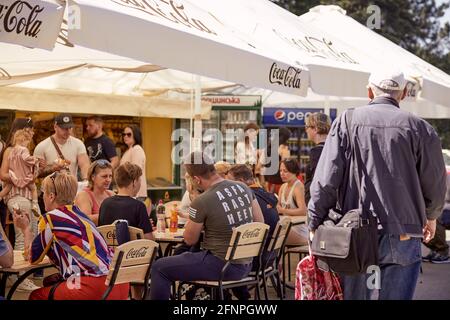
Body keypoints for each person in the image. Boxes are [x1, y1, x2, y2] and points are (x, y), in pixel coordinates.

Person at [308, 70, 447, 300]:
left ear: (369, 91)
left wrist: (314, 220)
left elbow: (326, 178)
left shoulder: (347, 121)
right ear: (402, 94)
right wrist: (431, 216)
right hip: (404, 230)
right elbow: (435, 181)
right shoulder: (420, 128)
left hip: (354, 231)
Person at [150, 152, 264, 300]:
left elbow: (189, 239)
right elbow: (260, 223)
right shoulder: (243, 187)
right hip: (247, 264)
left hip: (221, 265)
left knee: (159, 267)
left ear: (196, 179)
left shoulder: (202, 200)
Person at [24, 171, 129, 300]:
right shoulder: (80, 214)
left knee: (36, 295)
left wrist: (25, 229)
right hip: (119, 283)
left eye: (43, 193)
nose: (42, 196)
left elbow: (32, 258)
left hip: (93, 287)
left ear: (51, 196)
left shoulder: (50, 219)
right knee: (50, 283)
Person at [0, 118, 41, 291]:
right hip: (17, 196)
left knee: (30, 232)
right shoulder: (11, 150)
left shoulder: (21, 150)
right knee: (23, 235)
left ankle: (22, 276)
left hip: (24, 196)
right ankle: (17, 277)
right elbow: (3, 174)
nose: (32, 133)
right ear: (23, 131)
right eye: (30, 130)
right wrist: (21, 178)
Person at [227, 164, 280, 300]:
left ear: (241, 182)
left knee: (219, 258)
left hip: (255, 260)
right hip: (268, 257)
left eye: (230, 181)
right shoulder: (266, 195)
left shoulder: (245, 198)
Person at [98, 162, 153, 240]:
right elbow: (149, 239)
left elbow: (102, 233)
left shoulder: (105, 204)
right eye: (139, 180)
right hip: (132, 251)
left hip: (108, 250)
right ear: (134, 182)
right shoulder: (139, 206)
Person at [33, 113, 90, 181]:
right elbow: (36, 173)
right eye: (64, 128)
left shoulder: (78, 144)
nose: (68, 131)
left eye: (70, 128)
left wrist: (86, 180)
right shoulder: (42, 147)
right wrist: (53, 168)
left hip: (71, 188)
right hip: (50, 189)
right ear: (55, 127)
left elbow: (84, 164)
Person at [0, 129, 39, 216]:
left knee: (7, 188)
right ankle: (35, 205)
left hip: (13, 174)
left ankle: (1, 196)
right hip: (24, 175)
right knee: (33, 189)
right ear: (24, 140)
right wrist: (35, 160)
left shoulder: (11, 150)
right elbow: (26, 159)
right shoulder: (23, 150)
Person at [74, 160, 115, 226]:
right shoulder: (84, 195)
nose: (108, 180)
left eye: (110, 176)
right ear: (93, 177)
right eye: (104, 176)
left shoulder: (111, 194)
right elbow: (85, 220)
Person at [277, 159, 308, 246]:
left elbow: (303, 211)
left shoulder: (298, 187)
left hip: (299, 229)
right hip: (288, 226)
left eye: (285, 171)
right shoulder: (283, 187)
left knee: (275, 236)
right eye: (280, 170)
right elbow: (278, 207)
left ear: (294, 172)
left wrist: (283, 210)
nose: (282, 174)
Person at [303, 113, 331, 205]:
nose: (306, 130)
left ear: (315, 129)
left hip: (318, 204)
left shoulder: (317, 151)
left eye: (307, 127)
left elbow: (317, 182)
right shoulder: (333, 147)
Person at [422, 173, 450, 263]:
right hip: (444, 207)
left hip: (445, 210)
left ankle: (442, 252)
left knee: (434, 216)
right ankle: (435, 249)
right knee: (423, 216)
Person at [120, 125, 147, 202]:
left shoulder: (137, 149)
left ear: (136, 135)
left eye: (129, 134)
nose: (125, 136)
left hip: (136, 194)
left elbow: (135, 172)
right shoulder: (130, 150)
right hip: (130, 193)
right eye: (123, 134)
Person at [261, 127, 291, 194]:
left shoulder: (269, 146)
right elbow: (286, 164)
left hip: (269, 181)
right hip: (280, 181)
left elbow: (263, 164)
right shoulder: (283, 147)